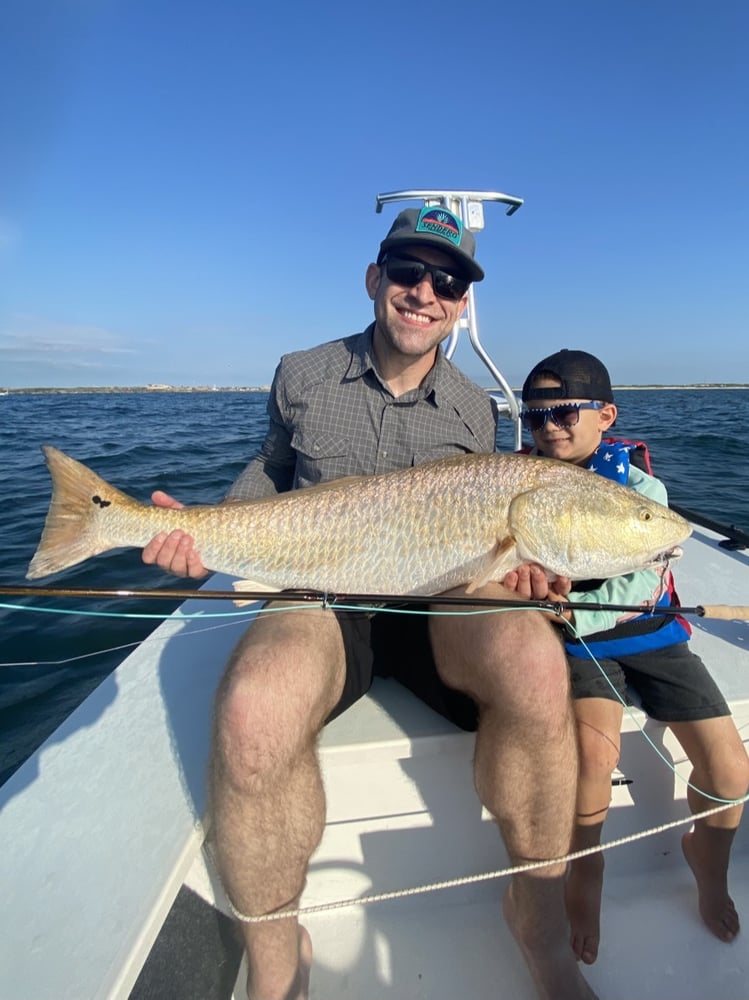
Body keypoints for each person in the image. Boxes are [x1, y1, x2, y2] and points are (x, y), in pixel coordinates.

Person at [143, 209, 598, 1000]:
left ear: (459, 306)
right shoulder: (301, 372)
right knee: (252, 709)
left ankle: (538, 922)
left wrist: (524, 573)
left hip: (435, 601)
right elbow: (272, 472)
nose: (424, 293)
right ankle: (280, 962)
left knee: (534, 665)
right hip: (323, 590)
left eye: (446, 282)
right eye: (407, 273)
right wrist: (205, 534)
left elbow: (481, 533)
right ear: (374, 279)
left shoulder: (471, 408)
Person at [519, 348, 749, 966]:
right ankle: (586, 867)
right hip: (577, 645)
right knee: (595, 757)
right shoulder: (518, 483)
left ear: (606, 415)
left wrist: (567, 592)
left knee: (731, 773)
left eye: (567, 412)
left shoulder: (642, 489)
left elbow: (645, 576)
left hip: (652, 634)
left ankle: (708, 854)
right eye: (536, 416)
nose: (551, 427)